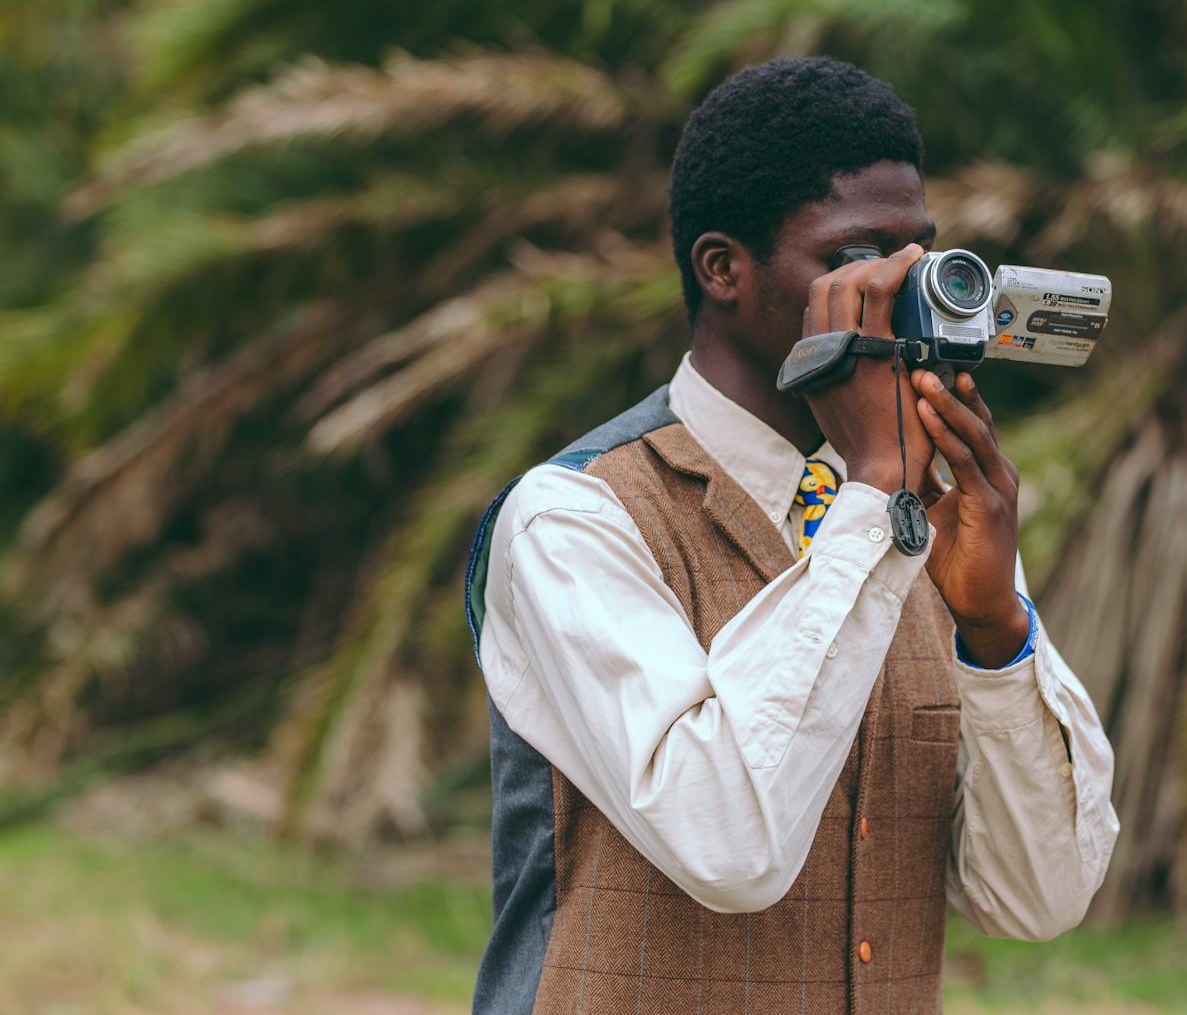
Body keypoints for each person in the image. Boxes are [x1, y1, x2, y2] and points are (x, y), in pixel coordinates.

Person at [463, 56, 1119, 1014]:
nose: (900, 291)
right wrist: (877, 492)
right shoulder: (574, 517)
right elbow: (727, 843)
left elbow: (1039, 896)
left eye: (919, 255)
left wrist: (991, 633)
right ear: (723, 269)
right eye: (856, 258)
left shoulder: (914, 522)